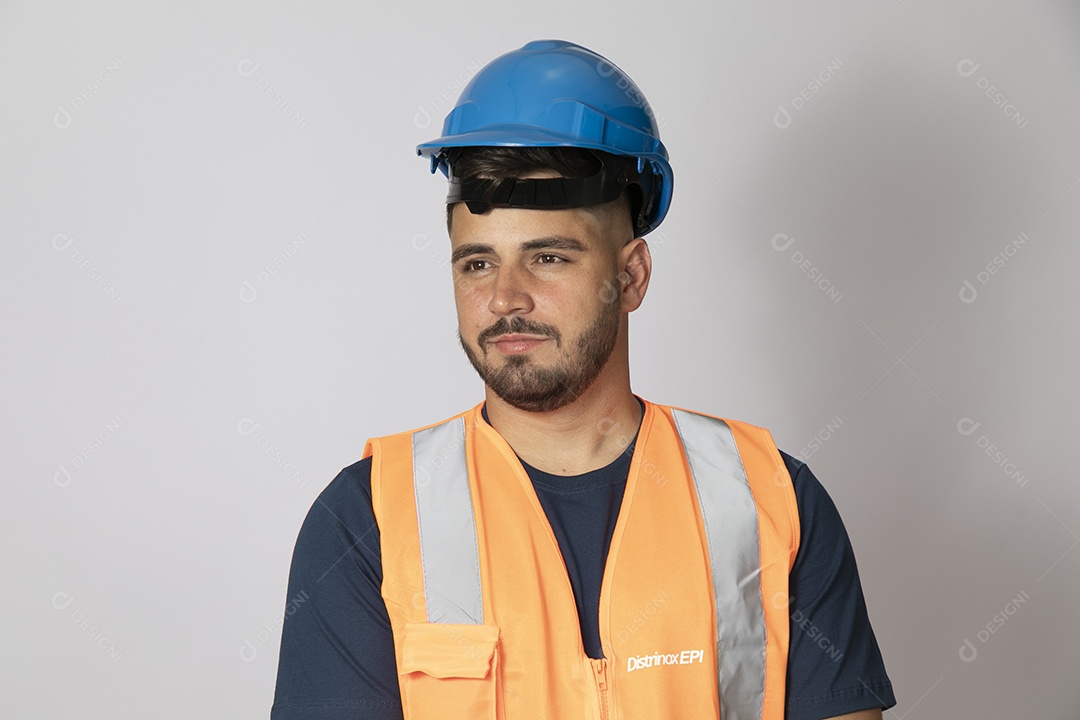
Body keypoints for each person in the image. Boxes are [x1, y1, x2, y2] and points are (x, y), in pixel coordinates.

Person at [270, 40, 896, 720]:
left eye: (547, 258)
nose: (505, 298)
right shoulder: (368, 519)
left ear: (630, 277)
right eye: (477, 263)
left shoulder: (771, 500)